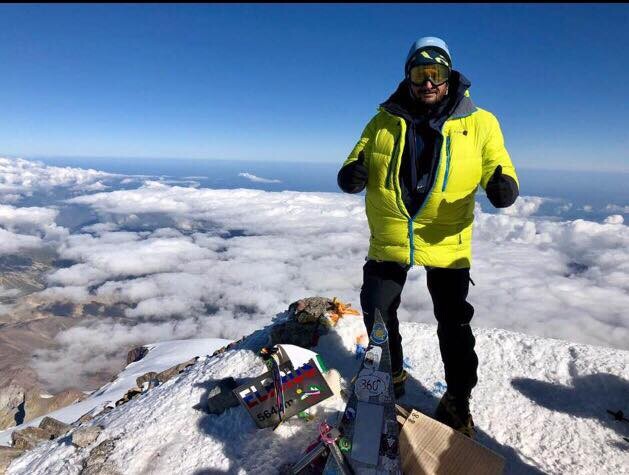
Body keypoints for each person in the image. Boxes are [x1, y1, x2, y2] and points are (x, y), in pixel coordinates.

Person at [337, 36, 519, 438]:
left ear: (450, 76)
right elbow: (357, 157)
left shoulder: (481, 121)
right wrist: (351, 174)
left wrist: (503, 183)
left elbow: (497, 162)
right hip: (391, 233)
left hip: (446, 238)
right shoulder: (382, 119)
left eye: (436, 72)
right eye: (420, 73)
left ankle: (458, 399)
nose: (428, 82)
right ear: (409, 76)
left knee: (453, 321)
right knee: (377, 308)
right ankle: (391, 376)